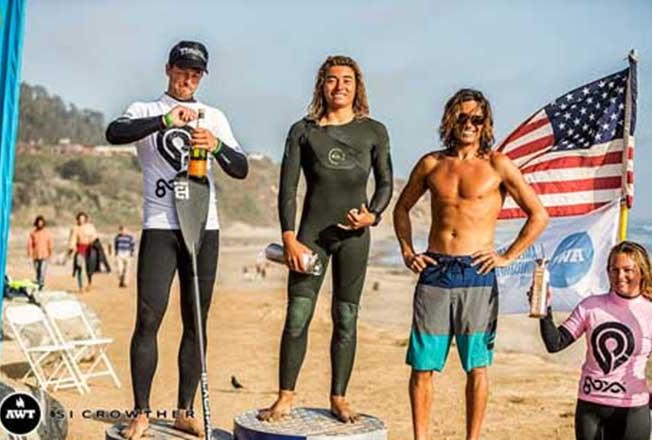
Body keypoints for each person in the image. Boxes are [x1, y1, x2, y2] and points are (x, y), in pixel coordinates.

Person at [106, 40, 248, 439]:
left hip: (204, 226)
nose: (188, 79)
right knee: (149, 319)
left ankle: (185, 410)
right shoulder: (145, 110)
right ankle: (141, 412)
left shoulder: (214, 117)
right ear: (168, 69)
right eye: (182, 70)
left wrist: (216, 146)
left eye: (196, 73)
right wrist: (166, 121)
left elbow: (240, 168)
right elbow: (115, 132)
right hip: (160, 225)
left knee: (195, 322)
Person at [393, 88, 549, 440]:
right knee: (422, 365)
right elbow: (401, 208)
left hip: (477, 274)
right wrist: (407, 250)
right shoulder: (431, 163)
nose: (469, 124)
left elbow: (538, 215)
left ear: (485, 124)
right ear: (450, 119)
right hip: (435, 271)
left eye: (476, 119)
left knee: (477, 365)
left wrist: (507, 255)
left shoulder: (498, 164)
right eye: (462, 117)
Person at [258, 55, 393, 423]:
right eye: (332, 80)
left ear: (357, 85)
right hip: (310, 238)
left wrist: (373, 215)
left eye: (347, 80)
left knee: (346, 318)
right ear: (322, 84)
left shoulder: (374, 132)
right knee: (297, 315)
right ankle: (285, 396)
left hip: (354, 237)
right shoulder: (303, 131)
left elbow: (384, 184)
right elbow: (288, 190)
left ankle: (339, 397)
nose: (339, 86)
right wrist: (289, 237)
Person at [533, 241, 652, 440]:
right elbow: (555, 343)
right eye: (614, 270)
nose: (620, 276)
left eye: (627, 270)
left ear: (642, 271)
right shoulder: (591, 306)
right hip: (591, 408)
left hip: (633, 409)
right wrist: (544, 308)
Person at [68, 211, 98, 293]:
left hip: (90, 249)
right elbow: (72, 239)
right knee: (79, 266)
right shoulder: (75, 228)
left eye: (83, 219)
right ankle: (81, 286)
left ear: (85, 219)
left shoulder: (90, 227)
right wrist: (72, 248)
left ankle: (89, 282)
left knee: (89, 267)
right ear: (77, 219)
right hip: (80, 249)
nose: (81, 220)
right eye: (80, 219)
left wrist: (92, 240)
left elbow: (95, 236)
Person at [27, 215, 53, 290]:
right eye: (38, 223)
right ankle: (39, 283)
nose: (40, 224)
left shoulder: (47, 233)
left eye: (41, 223)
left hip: (45, 255)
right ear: (36, 223)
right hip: (36, 255)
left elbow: (50, 243)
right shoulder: (33, 233)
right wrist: (29, 253)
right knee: (38, 271)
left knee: (42, 272)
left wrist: (50, 253)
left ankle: (40, 285)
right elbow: (30, 244)